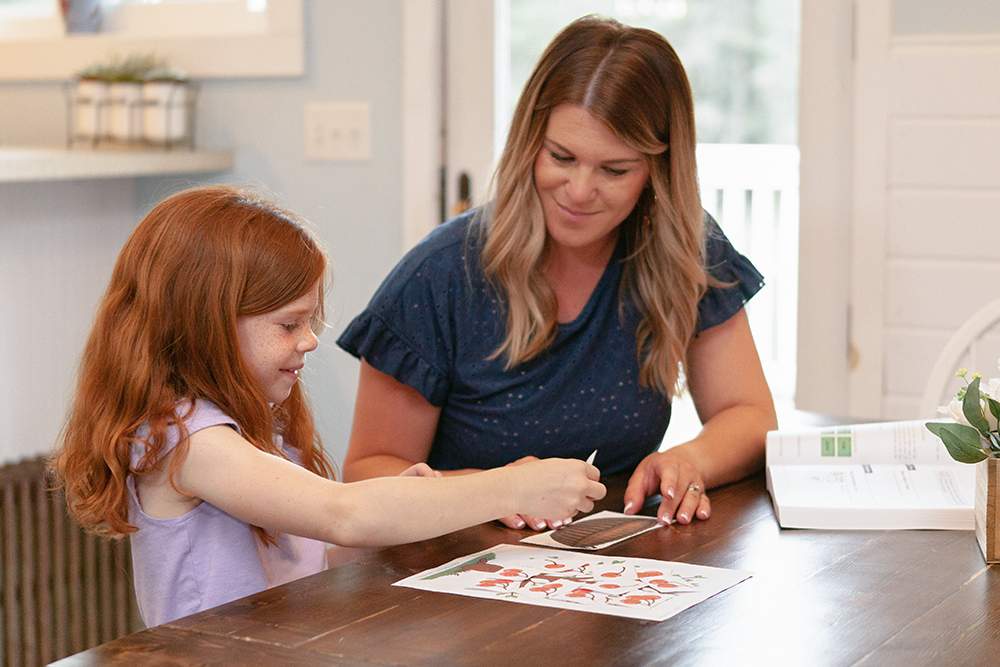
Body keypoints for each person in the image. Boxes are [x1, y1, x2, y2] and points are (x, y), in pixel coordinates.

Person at [49, 185, 604, 627]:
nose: (310, 340)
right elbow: (345, 516)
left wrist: (411, 504)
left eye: (309, 322)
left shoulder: (248, 430)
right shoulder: (190, 443)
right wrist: (513, 486)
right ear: (204, 326)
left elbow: (316, 555)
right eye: (289, 324)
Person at [337, 16, 777, 531]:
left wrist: (691, 459)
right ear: (529, 144)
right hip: (455, 564)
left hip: (604, 561)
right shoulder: (438, 277)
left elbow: (749, 415)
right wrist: (492, 491)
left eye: (614, 170)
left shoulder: (686, 248)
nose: (579, 191)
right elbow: (367, 473)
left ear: (658, 170)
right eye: (561, 157)